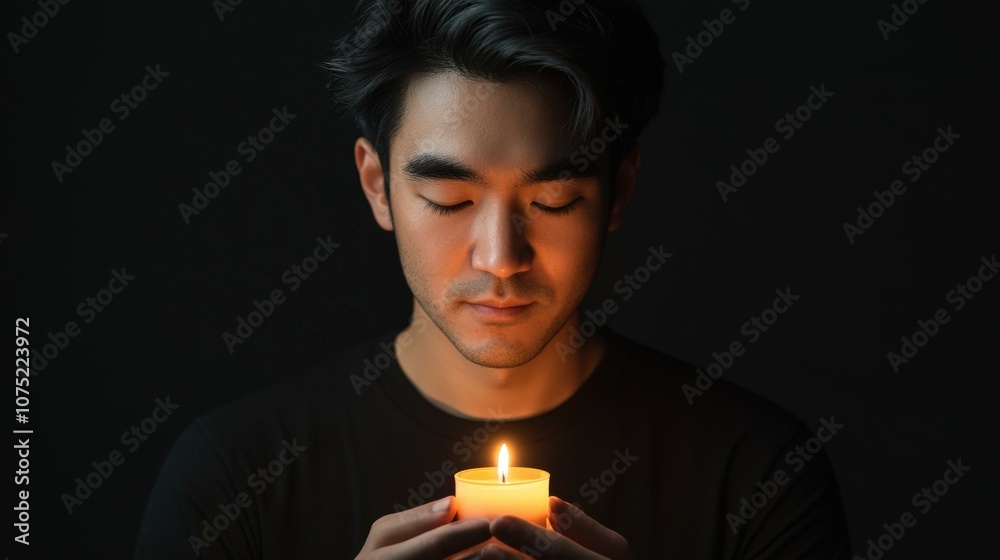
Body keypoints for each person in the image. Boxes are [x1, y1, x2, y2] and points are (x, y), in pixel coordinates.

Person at [135, 0, 850, 557]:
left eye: (553, 200)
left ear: (618, 192)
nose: (500, 256)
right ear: (378, 186)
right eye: (450, 201)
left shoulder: (755, 472)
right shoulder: (235, 478)